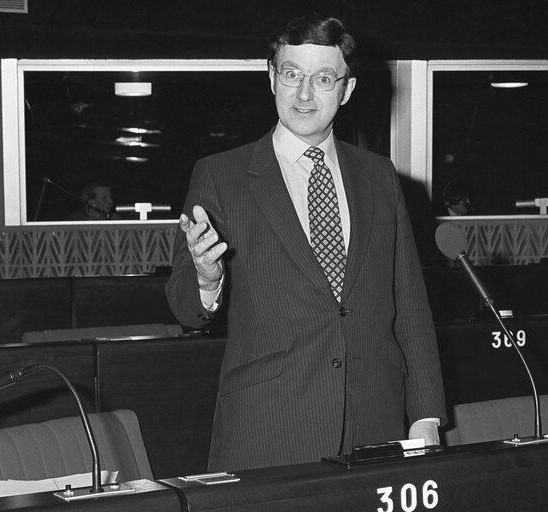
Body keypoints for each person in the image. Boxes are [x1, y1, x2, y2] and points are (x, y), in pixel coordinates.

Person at [165, 14, 446, 471]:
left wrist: (427, 415)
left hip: (376, 423)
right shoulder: (220, 175)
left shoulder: (380, 177)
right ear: (272, 78)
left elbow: (410, 305)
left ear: (347, 90)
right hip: (269, 429)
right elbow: (183, 307)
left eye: (322, 78)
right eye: (292, 74)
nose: (304, 93)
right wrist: (206, 277)